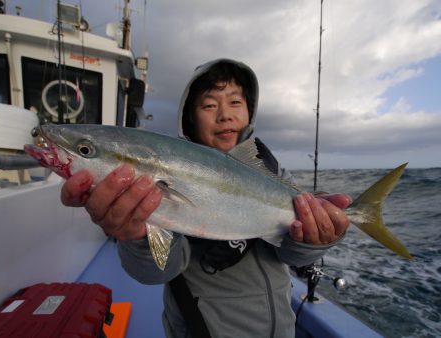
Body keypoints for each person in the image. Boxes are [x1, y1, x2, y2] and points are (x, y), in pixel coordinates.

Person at [61, 59, 351, 337]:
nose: (225, 114)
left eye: (236, 102)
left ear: (250, 112)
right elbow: (158, 270)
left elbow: (289, 253)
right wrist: (137, 236)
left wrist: (315, 240)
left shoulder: (274, 177)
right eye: (209, 105)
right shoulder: (167, 172)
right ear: (190, 118)